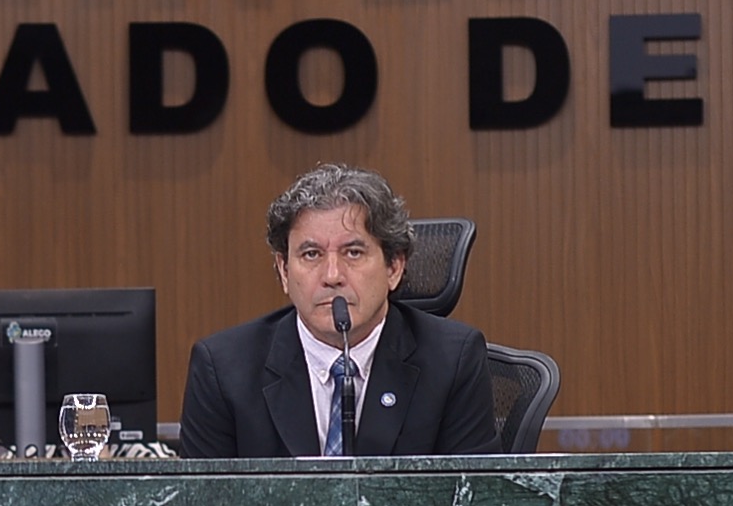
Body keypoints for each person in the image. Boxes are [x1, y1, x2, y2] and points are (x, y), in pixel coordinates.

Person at [179, 163, 498, 457]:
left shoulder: (451, 361)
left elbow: (475, 496)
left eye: (353, 252)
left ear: (394, 267)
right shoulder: (223, 369)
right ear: (284, 271)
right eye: (311, 254)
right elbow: (203, 500)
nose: (332, 276)